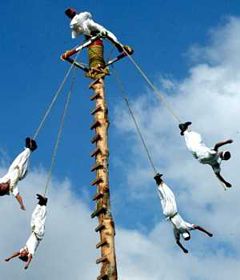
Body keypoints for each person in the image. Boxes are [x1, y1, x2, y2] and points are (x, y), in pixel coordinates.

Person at [154, 173, 213, 254]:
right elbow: (177, 242)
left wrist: (208, 233)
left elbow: (198, 227)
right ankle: (158, 181)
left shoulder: (186, 227)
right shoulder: (177, 232)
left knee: (169, 195)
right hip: (166, 213)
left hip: (173, 211)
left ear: (188, 233)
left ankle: (159, 181)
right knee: (163, 198)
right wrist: (183, 249)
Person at [179, 122, 233, 188]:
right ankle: (184, 131)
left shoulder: (215, 154)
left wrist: (226, 142)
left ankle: (184, 129)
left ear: (222, 155)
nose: (221, 152)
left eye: (222, 153)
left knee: (194, 137)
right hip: (197, 152)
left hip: (197, 148)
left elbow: (217, 145)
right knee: (194, 137)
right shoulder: (216, 164)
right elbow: (218, 175)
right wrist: (225, 182)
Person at [5, 194, 47, 269]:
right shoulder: (31, 252)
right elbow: (30, 258)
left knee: (33, 216)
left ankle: (40, 202)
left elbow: (17, 253)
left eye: (21, 253)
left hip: (34, 231)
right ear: (25, 255)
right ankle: (44, 203)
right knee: (40, 218)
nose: (21, 252)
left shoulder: (24, 248)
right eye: (22, 254)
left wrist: (10, 258)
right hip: (39, 234)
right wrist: (27, 264)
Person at [64, 8, 133, 54]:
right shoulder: (75, 21)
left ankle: (120, 46)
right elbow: (81, 28)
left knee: (105, 33)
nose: (73, 11)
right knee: (105, 32)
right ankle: (120, 46)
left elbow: (85, 25)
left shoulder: (80, 17)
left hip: (92, 30)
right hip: (90, 32)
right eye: (71, 12)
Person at [0, 138, 37, 210]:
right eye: (3, 187)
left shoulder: (1, 181)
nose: (3, 185)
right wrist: (22, 204)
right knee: (24, 159)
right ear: (5, 190)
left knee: (21, 156)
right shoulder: (12, 188)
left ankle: (29, 148)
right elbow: (18, 196)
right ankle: (29, 148)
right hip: (20, 172)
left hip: (13, 168)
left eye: (1, 185)